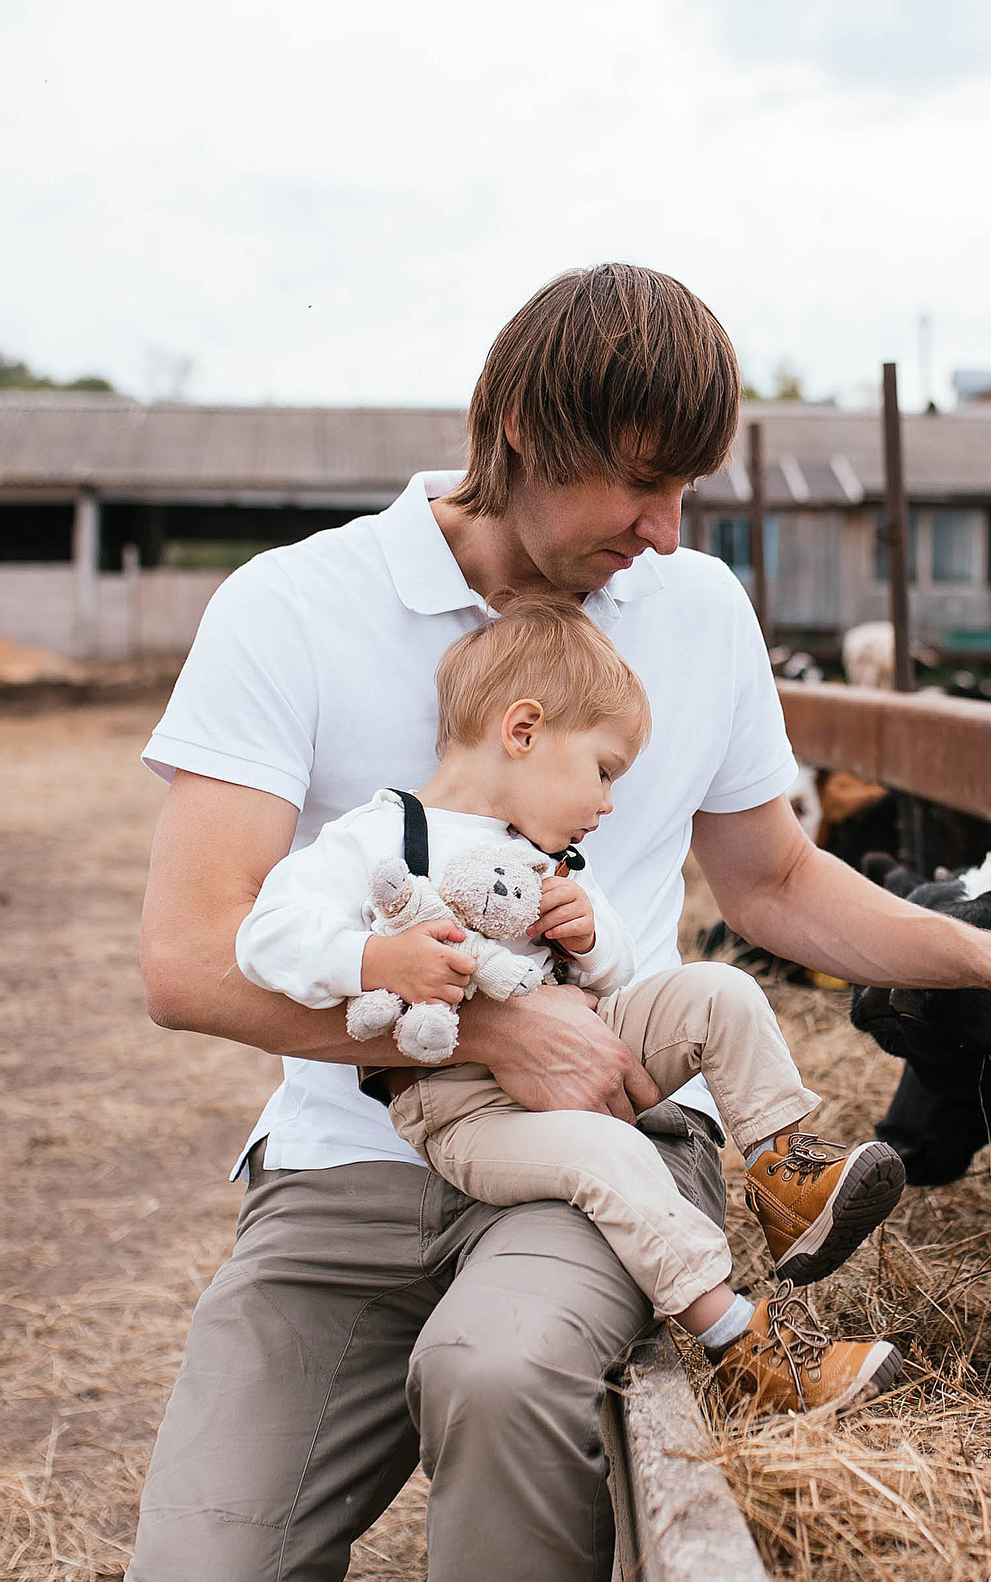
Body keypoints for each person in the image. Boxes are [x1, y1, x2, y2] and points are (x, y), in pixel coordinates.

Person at [118, 262, 991, 1582]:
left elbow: (770, 882)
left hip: (617, 1138)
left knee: (501, 1375)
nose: (664, 532)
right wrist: (497, 1018)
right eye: (640, 485)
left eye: (687, 489)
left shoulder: (693, 609)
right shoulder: (294, 608)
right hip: (349, 1161)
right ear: (518, 429)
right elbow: (187, 957)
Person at [233, 594, 908, 1414]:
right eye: (603, 771)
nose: (609, 803)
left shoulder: (544, 858)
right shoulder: (376, 840)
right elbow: (264, 939)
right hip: (463, 1112)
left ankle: (784, 1179)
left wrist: (592, 938)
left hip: (579, 1038)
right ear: (522, 732)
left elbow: (611, 980)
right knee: (615, 1156)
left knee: (719, 990)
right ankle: (745, 1348)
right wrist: (375, 958)